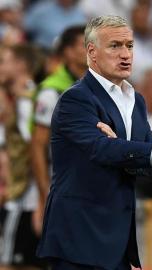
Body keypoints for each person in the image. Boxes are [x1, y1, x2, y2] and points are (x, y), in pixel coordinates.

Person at [36, 15, 152, 270]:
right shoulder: (75, 100)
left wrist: (123, 151)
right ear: (92, 52)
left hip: (118, 243)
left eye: (129, 46)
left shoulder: (136, 100)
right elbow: (102, 149)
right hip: (78, 239)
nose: (125, 54)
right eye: (115, 46)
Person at [30, 25, 87, 236]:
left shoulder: (100, 87)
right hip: (63, 186)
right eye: (84, 45)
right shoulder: (52, 92)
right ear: (68, 52)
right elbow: (38, 146)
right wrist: (44, 194)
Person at [0, 44, 46, 269]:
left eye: (5, 62)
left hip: (24, 198)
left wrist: (40, 199)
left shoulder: (26, 102)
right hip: (30, 196)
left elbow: (37, 148)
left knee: (7, 262)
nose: (2, 67)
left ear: (20, 65)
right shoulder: (32, 96)